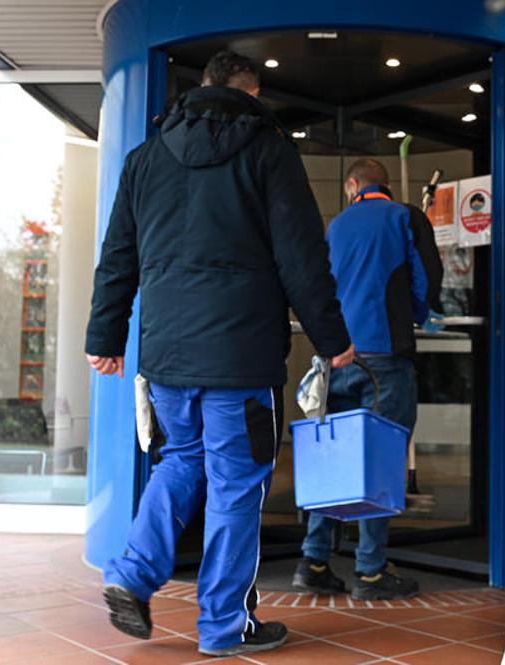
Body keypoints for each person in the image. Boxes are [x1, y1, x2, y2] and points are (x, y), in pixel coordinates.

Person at [84, 50, 354, 657]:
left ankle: (131, 572)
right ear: (250, 92)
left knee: (180, 461)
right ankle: (223, 625)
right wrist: (333, 339)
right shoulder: (267, 149)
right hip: (240, 357)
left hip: (169, 357)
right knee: (235, 486)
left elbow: (118, 256)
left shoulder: (146, 158)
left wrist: (104, 336)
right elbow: (302, 258)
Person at [293, 158, 442, 600]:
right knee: (381, 460)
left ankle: (315, 559)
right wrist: (415, 316)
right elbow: (426, 278)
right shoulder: (404, 217)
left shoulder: (336, 225)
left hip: (339, 356)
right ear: (386, 185)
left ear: (352, 185)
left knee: (334, 458)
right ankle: (371, 571)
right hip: (385, 357)